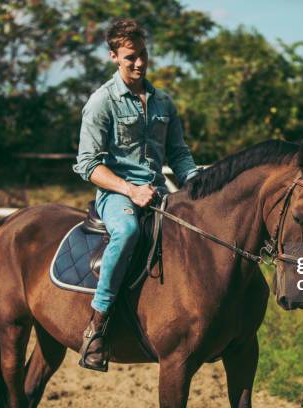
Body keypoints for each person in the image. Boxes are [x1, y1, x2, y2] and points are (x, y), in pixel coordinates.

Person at [72, 18, 200, 371]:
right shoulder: (102, 102)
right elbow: (87, 165)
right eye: (131, 57)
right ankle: (97, 327)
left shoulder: (163, 102)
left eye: (143, 54)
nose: (140, 63)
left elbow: (179, 153)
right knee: (127, 231)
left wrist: (197, 182)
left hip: (158, 191)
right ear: (114, 56)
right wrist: (129, 189)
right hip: (115, 194)